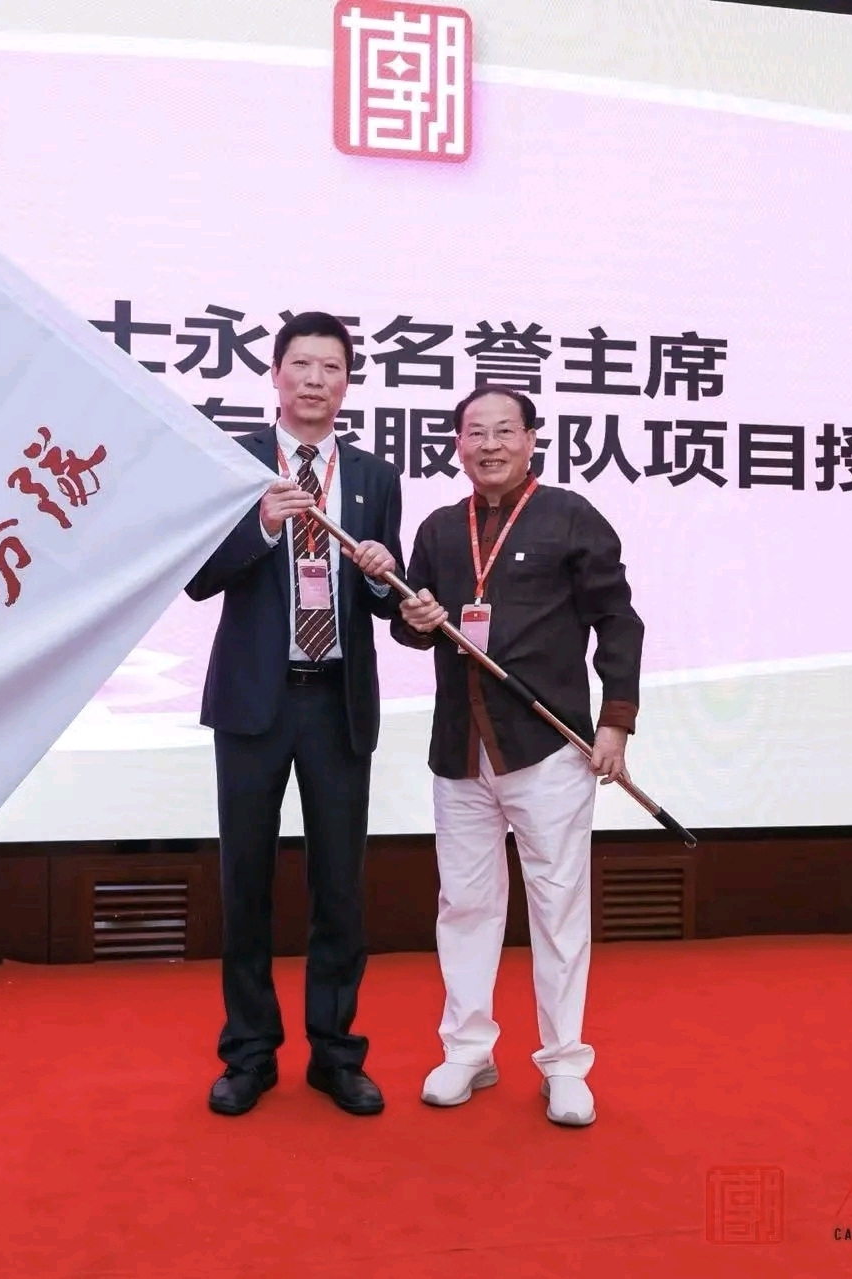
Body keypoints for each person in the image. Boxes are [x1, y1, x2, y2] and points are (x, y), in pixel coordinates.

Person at [391, 387, 644, 1127]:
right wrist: (415, 618)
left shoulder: (570, 516)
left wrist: (616, 722)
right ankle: (468, 1049)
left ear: (532, 439)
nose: (490, 445)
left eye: (505, 431)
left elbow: (618, 621)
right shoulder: (441, 528)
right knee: (465, 904)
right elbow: (413, 629)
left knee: (557, 907)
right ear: (457, 445)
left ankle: (564, 1062)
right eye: (475, 433)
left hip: (548, 747)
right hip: (460, 750)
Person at [185, 311, 404, 1117]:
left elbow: (387, 601)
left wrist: (381, 574)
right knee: (245, 881)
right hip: (255, 700)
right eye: (302, 365)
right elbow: (198, 577)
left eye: (331, 368)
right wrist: (263, 526)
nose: (315, 380)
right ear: (275, 374)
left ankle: (336, 1053)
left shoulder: (375, 477)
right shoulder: (235, 463)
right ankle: (248, 1052)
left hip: (337, 701)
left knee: (339, 885)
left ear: (347, 383)